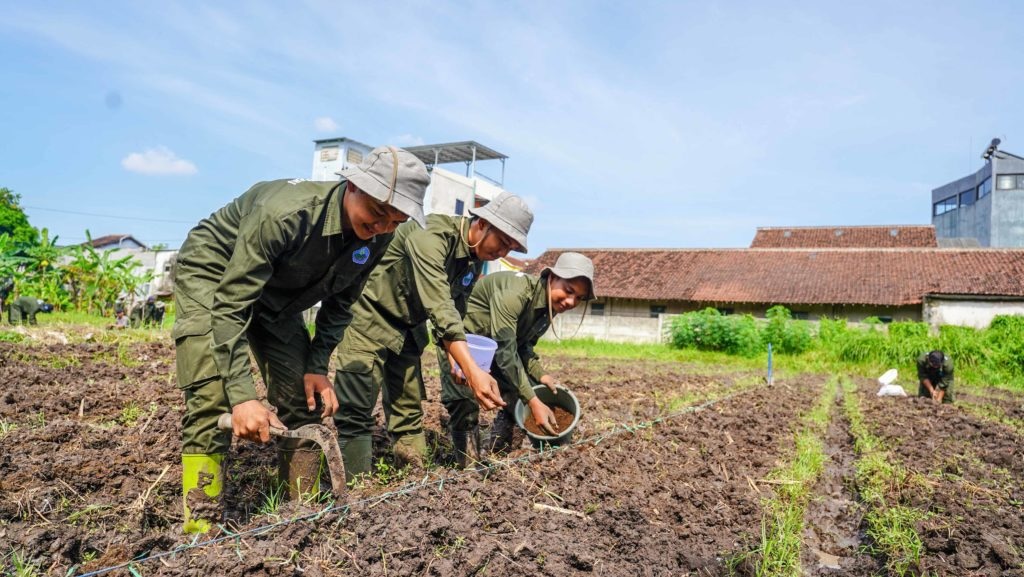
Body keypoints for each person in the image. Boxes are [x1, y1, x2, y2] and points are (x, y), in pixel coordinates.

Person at [173, 146, 429, 534]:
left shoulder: (380, 239)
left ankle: (296, 515)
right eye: (378, 214)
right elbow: (229, 306)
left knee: (302, 399)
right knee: (212, 397)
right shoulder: (286, 214)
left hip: (277, 296)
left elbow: (342, 304)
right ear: (353, 186)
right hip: (215, 272)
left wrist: (316, 366)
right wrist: (243, 396)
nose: (383, 227)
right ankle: (200, 529)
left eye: (396, 220)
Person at [332, 192, 533, 481]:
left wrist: (459, 361)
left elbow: (456, 312)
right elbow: (439, 303)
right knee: (357, 407)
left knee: (408, 409)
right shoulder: (432, 234)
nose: (502, 252)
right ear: (482, 223)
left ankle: (413, 481)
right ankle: (357, 489)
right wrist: (472, 370)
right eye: (502, 242)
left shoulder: (472, 262)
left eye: (511, 247)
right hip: (370, 316)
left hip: (409, 329)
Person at [439, 252, 596, 467]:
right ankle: (468, 469)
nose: (571, 301)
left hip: (496, 349)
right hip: (466, 345)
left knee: (521, 393)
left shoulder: (548, 307)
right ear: (551, 278)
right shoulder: (516, 294)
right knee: (465, 403)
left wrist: (541, 374)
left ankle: (499, 449)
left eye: (579, 298)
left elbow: (524, 346)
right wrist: (533, 400)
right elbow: (506, 351)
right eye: (569, 291)